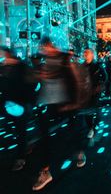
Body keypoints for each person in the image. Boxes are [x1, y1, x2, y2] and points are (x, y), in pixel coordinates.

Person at [32, 37, 79, 191]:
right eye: (42, 49)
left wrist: (73, 102)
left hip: (64, 104)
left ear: (51, 46)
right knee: (45, 139)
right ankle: (45, 171)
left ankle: (79, 151)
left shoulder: (64, 60)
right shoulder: (43, 64)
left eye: (46, 48)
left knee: (71, 132)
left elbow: (74, 81)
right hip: (47, 105)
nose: (44, 50)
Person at [0, 47, 35, 171]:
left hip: (21, 105)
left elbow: (32, 84)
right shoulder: (3, 68)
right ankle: (24, 147)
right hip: (8, 105)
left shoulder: (21, 67)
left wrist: (26, 102)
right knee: (13, 129)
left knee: (20, 130)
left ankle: (21, 157)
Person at [83, 49, 106, 139]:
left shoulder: (97, 65)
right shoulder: (83, 66)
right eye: (84, 53)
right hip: (85, 91)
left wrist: (100, 86)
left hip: (95, 90)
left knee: (95, 109)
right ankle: (90, 127)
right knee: (86, 111)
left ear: (92, 55)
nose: (85, 55)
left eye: (87, 53)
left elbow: (105, 76)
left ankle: (94, 126)